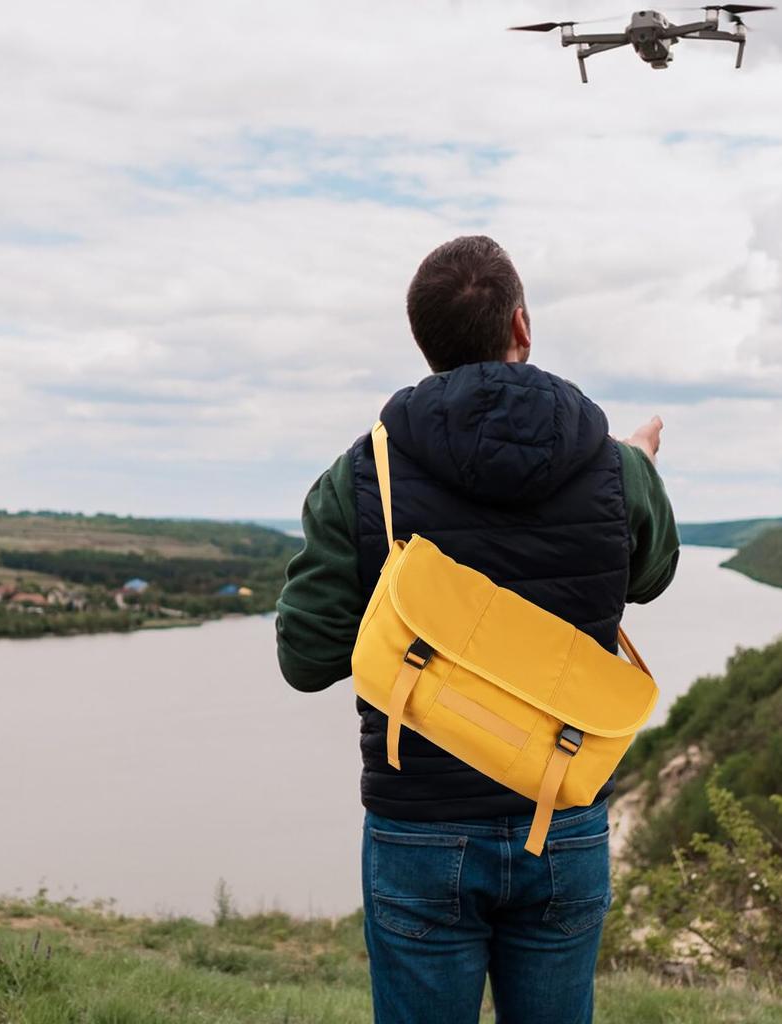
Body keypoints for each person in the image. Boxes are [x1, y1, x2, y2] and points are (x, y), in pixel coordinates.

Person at [275, 235, 679, 1024]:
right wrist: (641, 470)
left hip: (419, 823)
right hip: (560, 813)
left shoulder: (365, 474)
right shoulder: (613, 466)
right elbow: (652, 577)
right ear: (521, 326)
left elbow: (306, 656)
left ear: (427, 346)